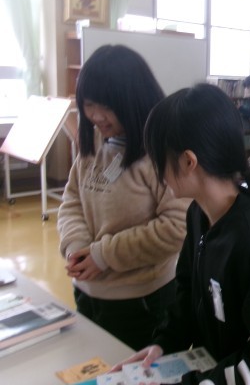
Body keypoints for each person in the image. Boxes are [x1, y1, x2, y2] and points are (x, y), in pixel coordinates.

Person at [113, 83, 250, 383]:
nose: (157, 172)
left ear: (188, 162)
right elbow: (187, 294)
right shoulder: (198, 214)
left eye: (158, 160)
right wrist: (164, 344)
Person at [57, 45, 189, 350]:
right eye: (89, 104)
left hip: (142, 301)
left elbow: (176, 226)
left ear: (133, 100)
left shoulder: (161, 151)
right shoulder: (94, 142)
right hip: (88, 292)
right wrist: (77, 247)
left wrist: (103, 255)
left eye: (106, 106)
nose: (96, 116)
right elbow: (72, 201)